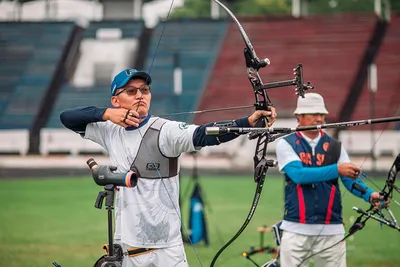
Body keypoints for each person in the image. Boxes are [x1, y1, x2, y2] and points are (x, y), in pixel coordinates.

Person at [60, 68, 277, 267]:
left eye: (144, 90)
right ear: (116, 100)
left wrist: (247, 122)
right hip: (126, 246)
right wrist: (106, 114)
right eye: (131, 91)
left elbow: (203, 134)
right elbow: (67, 117)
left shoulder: (165, 131)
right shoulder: (109, 130)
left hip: (166, 250)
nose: (140, 95)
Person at [275, 92, 386, 267]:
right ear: (299, 116)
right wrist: (337, 169)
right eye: (313, 114)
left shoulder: (335, 146)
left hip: (331, 228)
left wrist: (370, 195)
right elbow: (299, 175)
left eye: (321, 114)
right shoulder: (286, 143)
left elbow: (349, 179)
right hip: (296, 227)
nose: (319, 118)